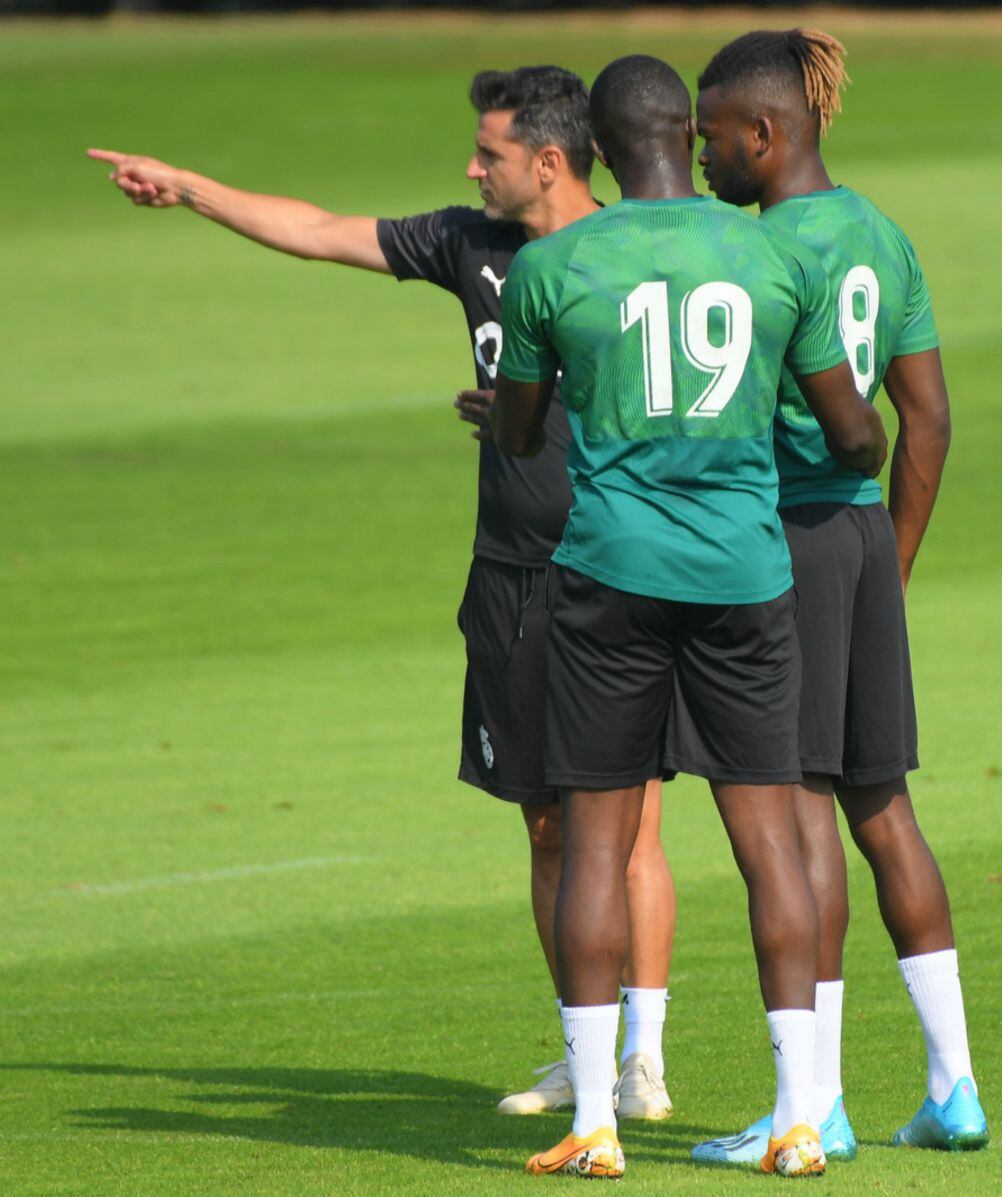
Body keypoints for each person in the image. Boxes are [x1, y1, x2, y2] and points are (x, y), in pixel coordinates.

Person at [86, 65, 676, 1120]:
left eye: (487, 150)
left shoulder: (637, 251)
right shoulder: (468, 242)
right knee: (547, 827)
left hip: (621, 567)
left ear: (549, 159)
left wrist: (537, 407)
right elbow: (318, 229)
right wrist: (188, 186)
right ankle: (586, 1048)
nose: (470, 166)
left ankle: (645, 1064)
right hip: (508, 576)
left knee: (631, 832)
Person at [493, 53, 886, 1180]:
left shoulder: (554, 264)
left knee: (597, 845)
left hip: (609, 577)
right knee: (772, 843)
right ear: (685, 131)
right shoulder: (770, 253)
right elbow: (853, 434)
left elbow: (522, 435)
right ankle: (800, 1114)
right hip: (744, 578)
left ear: (605, 151)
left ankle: (599, 1123)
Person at [690, 28, 988, 1169]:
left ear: (764, 136)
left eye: (714, 138)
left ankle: (810, 1108)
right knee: (884, 806)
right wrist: (891, 567)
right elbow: (933, 418)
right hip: (862, 539)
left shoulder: (760, 254)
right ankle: (952, 1087)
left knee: (797, 810)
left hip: (790, 540)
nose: (703, 157)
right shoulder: (880, 229)